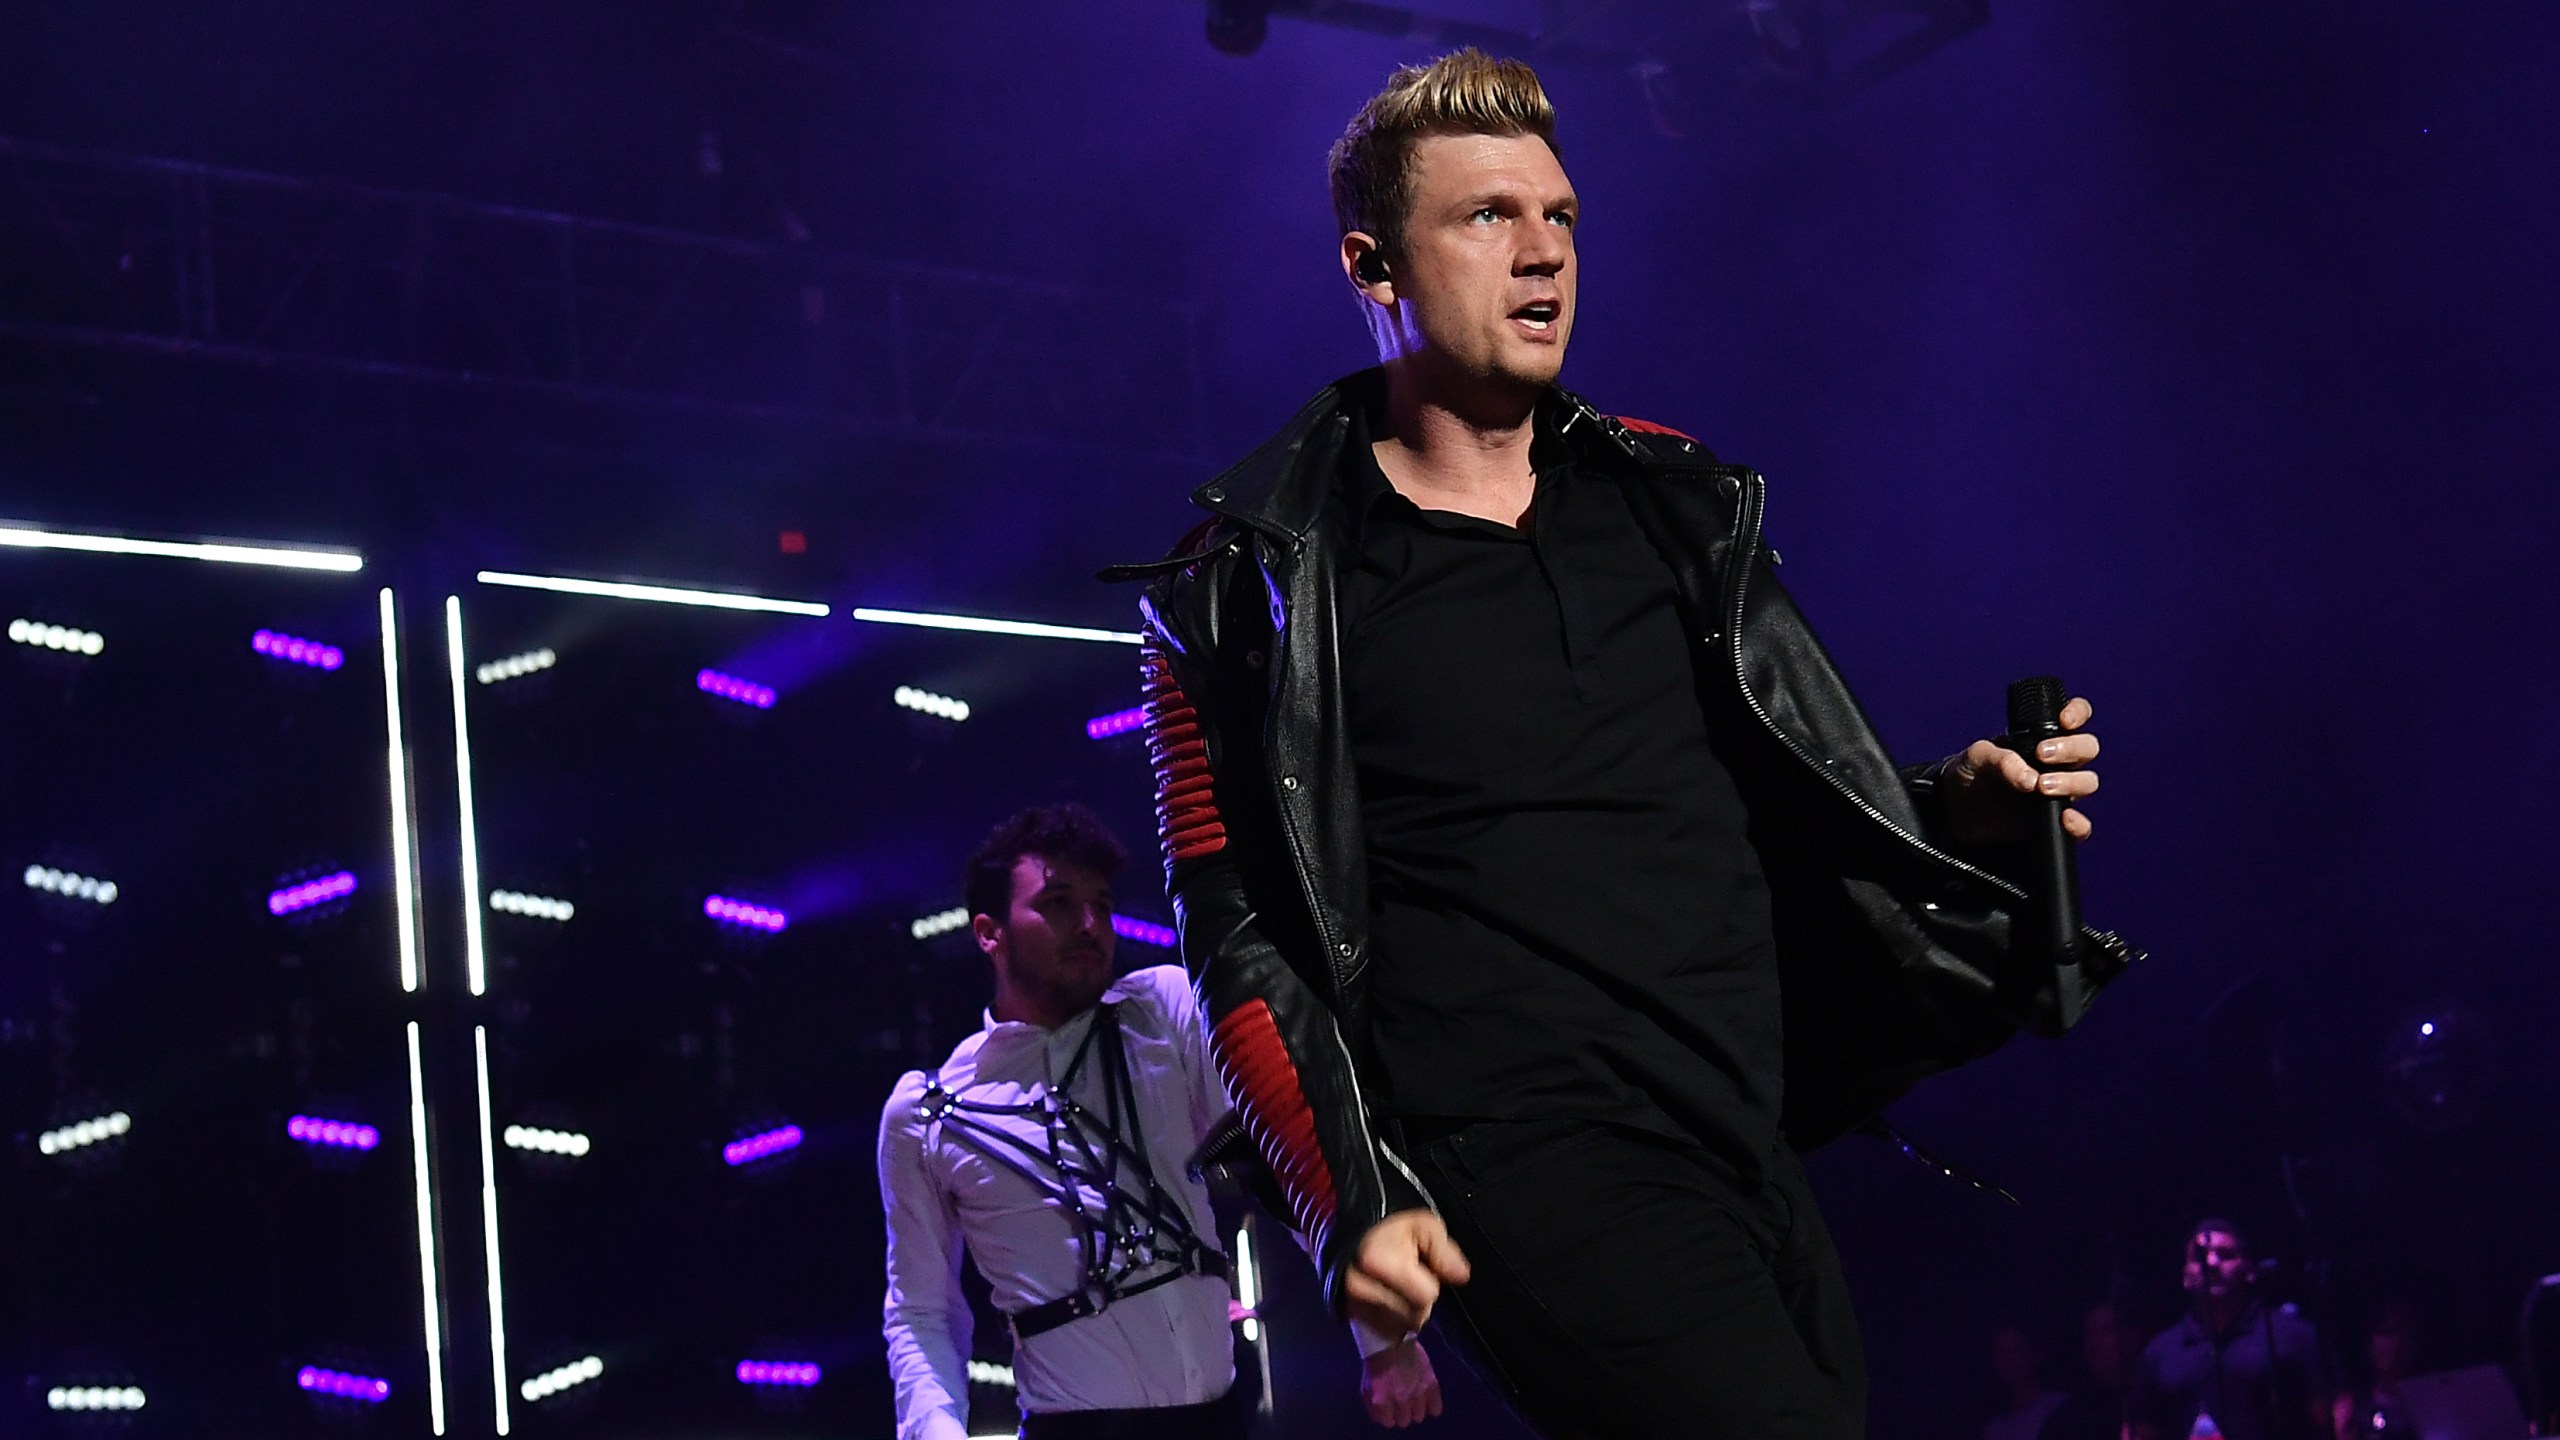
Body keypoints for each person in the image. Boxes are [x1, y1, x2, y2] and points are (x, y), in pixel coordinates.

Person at [1116, 47, 2133, 1440]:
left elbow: (1771, 796)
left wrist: (1945, 810)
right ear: (1373, 265)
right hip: (1526, 1164)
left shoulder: (1669, 500)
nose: (1543, 254)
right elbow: (1240, 938)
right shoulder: (1249, 586)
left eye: (1562, 218)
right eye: (1488, 218)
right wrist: (1342, 1192)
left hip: (1745, 1135)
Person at [878, 804, 1442, 1440]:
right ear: (989, 931)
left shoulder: (1159, 1010)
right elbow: (921, 1312)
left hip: (1223, 1417)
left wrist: (1381, 1333)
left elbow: (1283, 1155)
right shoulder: (928, 1114)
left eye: (1100, 902)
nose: (1090, 924)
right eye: (1058, 903)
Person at [2128, 1221, 2328, 1440]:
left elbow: (2335, 1416)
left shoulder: (2290, 1336)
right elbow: (2140, 1431)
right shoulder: (2160, 1352)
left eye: (2225, 1255)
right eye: (2199, 1257)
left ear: (2250, 1270)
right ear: (2185, 1276)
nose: (2212, 1263)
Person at [2045, 1297, 2149, 1440]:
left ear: (2133, 1336)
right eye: (2089, 1334)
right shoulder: (2069, 1419)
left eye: (2106, 1332)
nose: (2095, 1344)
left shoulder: (2160, 1402)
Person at [2330, 1303, 2420, 1440]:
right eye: (2387, 1333)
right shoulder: (2353, 1405)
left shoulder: (2432, 1400)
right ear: (2369, 1342)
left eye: (2407, 1334)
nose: (2397, 1343)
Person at [1985, 1323, 2068, 1440]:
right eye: (2000, 1352)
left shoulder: (2059, 1408)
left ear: (2035, 1354)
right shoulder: (1996, 1428)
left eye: (2015, 1350)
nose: (2007, 1359)